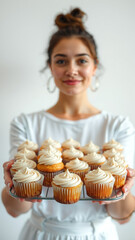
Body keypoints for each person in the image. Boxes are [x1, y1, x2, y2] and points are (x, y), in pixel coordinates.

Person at [2, 7, 135, 240]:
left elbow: (122, 216)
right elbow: (14, 210)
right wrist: (15, 187)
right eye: (61, 61)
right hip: (40, 234)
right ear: (50, 67)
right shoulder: (25, 123)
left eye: (81, 60)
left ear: (94, 66)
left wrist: (120, 191)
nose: (71, 70)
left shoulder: (118, 125)